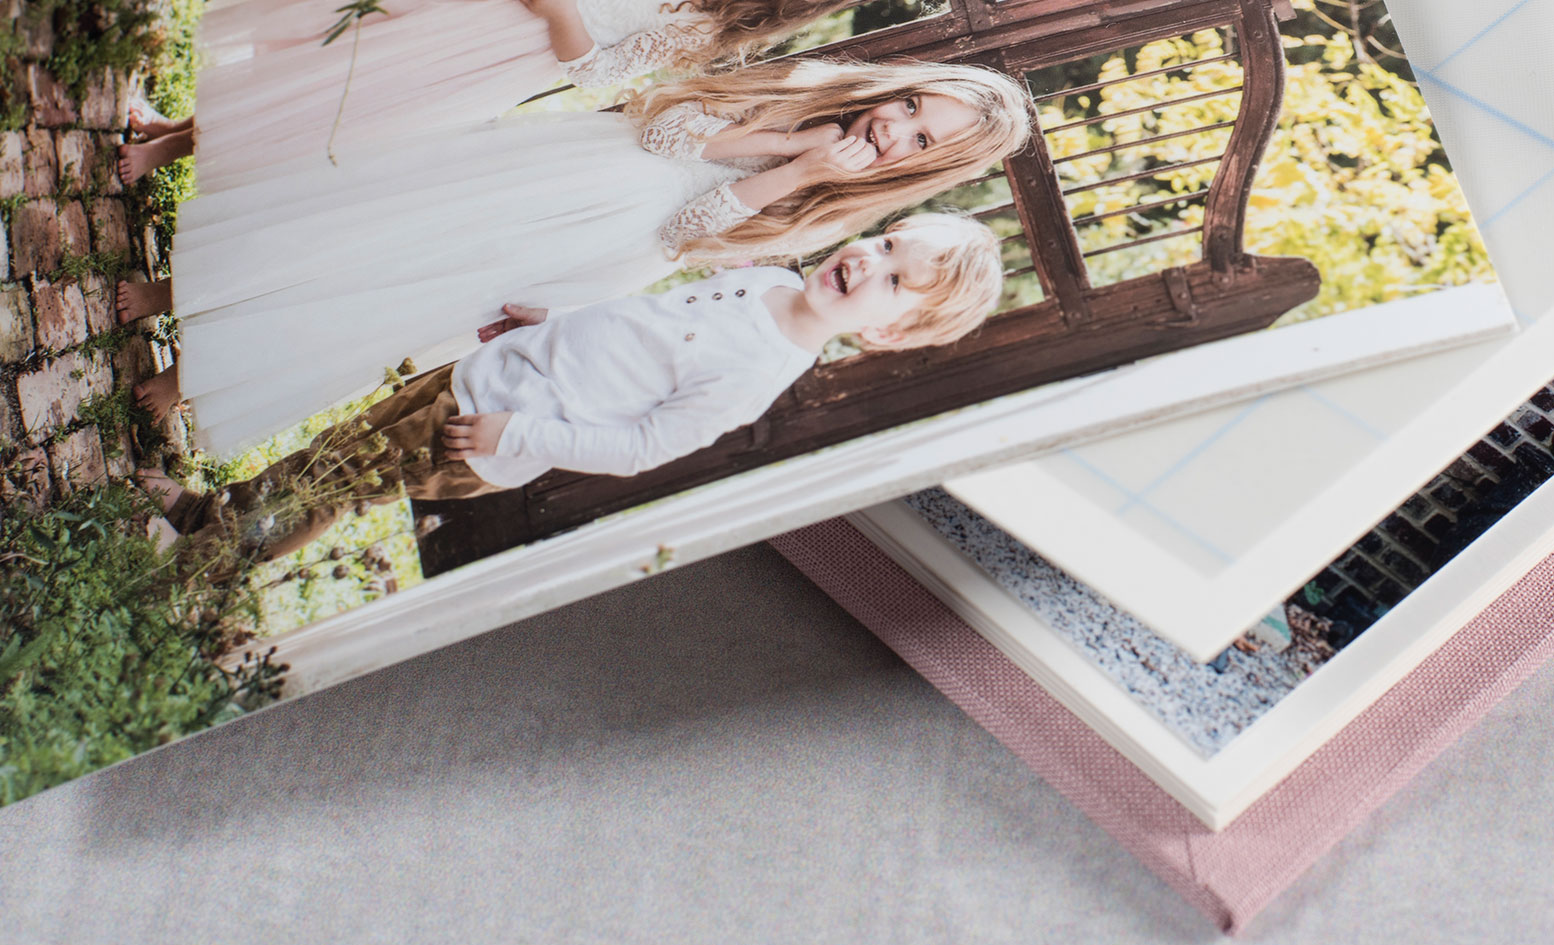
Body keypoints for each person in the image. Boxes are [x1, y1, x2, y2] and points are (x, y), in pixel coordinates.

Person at [122, 58, 1033, 457]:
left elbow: (690, 239)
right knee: (380, 222)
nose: (895, 129)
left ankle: (199, 374)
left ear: (926, 168)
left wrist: (797, 174)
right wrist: (782, 140)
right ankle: (176, 290)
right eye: (911, 107)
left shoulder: (830, 211)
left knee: (404, 294)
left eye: (921, 141)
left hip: (608, 245)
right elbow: (667, 124)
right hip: (575, 170)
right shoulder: (806, 89)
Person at [143, 212, 1004, 567]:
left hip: (491, 428)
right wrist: (553, 318)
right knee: (334, 449)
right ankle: (210, 513)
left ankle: (208, 560)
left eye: (897, 282)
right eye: (888, 243)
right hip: (488, 372)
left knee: (336, 484)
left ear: (889, 333)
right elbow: (638, 324)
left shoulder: (755, 374)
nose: (870, 263)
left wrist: (515, 438)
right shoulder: (773, 278)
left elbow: (638, 448)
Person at [115, 0, 894, 187]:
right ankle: (180, 124)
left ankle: (177, 149)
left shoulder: (701, 26)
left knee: (338, 91)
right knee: (326, 48)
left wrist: (560, 14)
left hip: (495, 52)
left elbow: (597, 71)